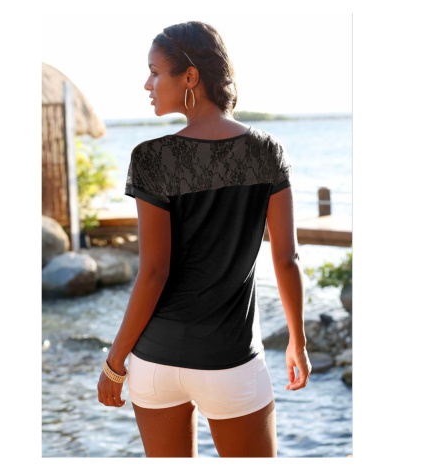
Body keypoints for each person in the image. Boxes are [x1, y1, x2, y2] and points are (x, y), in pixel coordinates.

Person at [97, 21, 312, 458]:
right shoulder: (267, 151)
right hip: (230, 364)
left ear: (190, 77)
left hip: (154, 364)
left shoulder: (150, 157)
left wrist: (115, 362)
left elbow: (153, 272)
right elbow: (286, 258)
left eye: (155, 72)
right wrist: (298, 341)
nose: (147, 84)